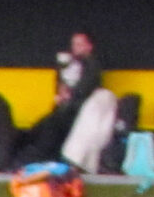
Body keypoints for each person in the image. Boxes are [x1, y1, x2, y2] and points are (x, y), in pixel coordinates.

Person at [14, 32, 101, 166]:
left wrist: (69, 94)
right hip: (63, 109)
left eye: (80, 44)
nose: (75, 48)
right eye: (74, 44)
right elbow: (61, 85)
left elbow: (85, 88)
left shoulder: (92, 64)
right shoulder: (70, 64)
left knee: (48, 127)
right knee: (41, 126)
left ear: (89, 46)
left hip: (75, 111)